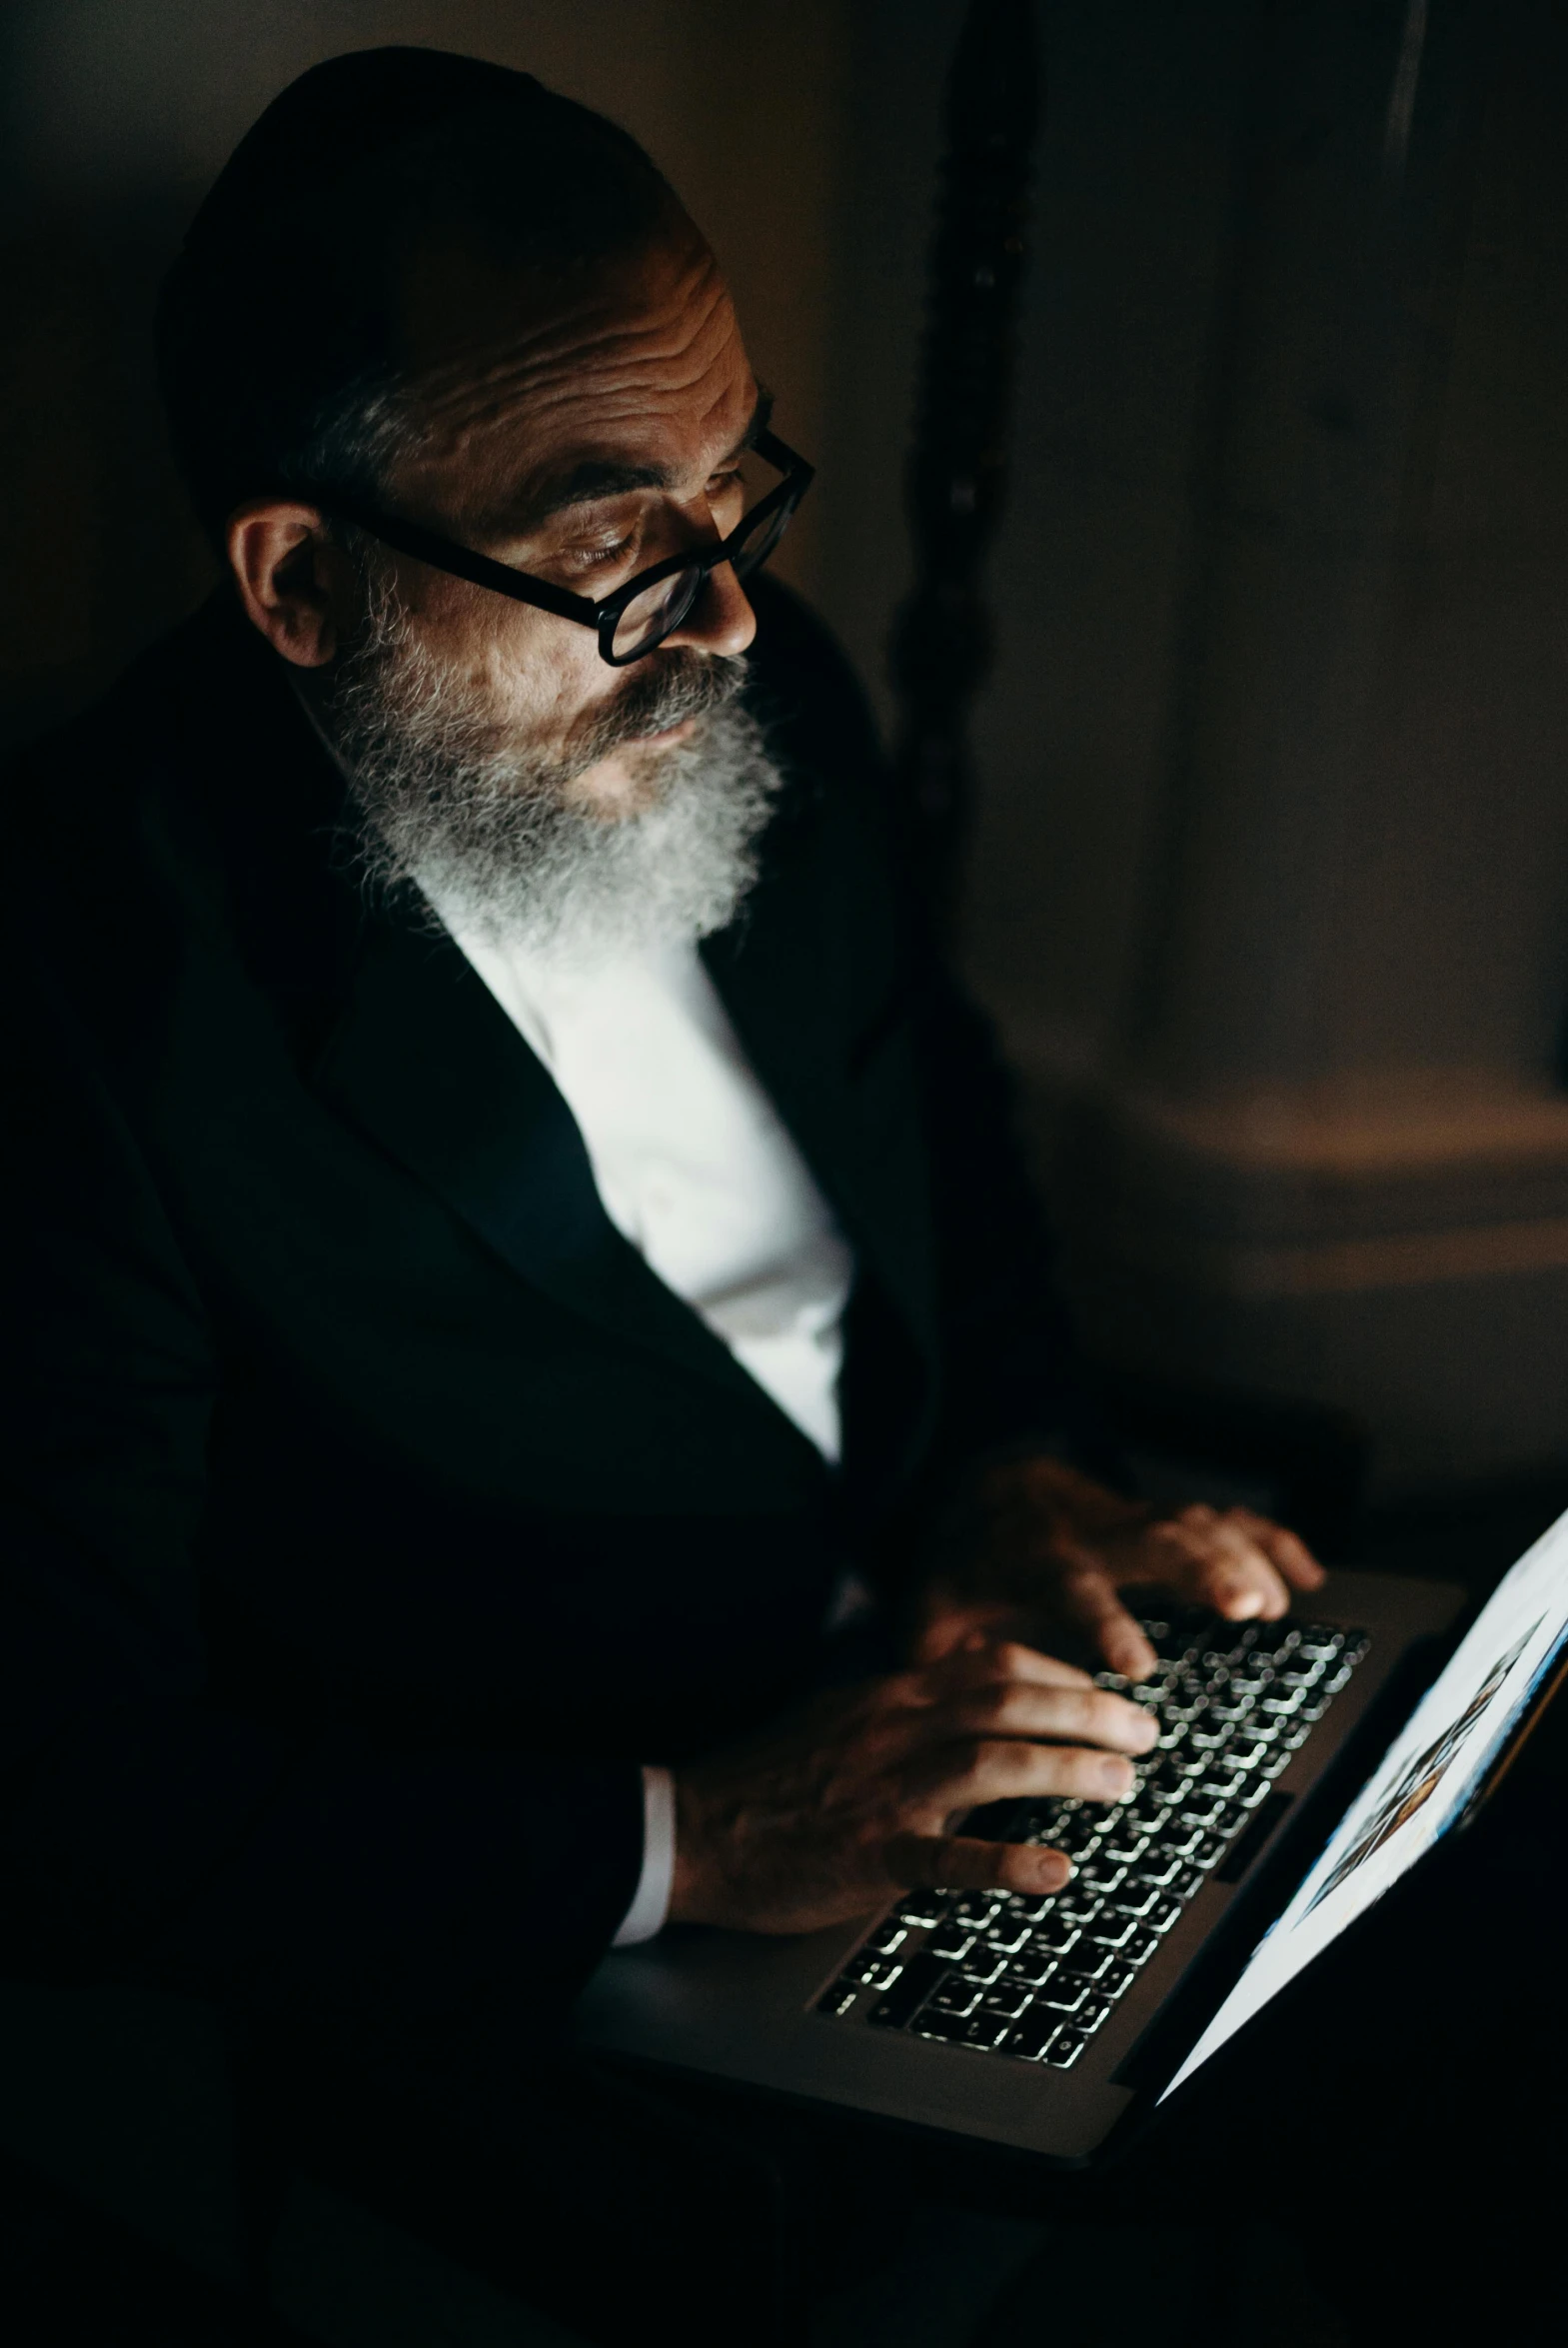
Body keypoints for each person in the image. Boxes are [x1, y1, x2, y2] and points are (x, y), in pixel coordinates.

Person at [0, 47, 1327, 2342]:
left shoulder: (736, 678)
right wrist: (690, 1840)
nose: (721, 617)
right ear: (301, 578)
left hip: (953, 1643)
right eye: (619, 540)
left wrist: (1008, 1474)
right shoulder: (64, 1003)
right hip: (561, 1890)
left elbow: (944, 1139)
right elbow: (65, 1789)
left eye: (743, 494)